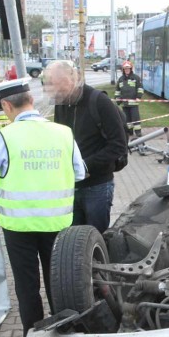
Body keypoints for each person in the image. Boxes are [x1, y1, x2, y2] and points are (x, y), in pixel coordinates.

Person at [0, 78, 86, 337]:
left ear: (7, 106)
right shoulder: (63, 132)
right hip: (57, 223)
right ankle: (64, 336)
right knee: (58, 281)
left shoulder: (4, 137)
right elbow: (79, 172)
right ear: (31, 101)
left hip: (18, 226)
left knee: (27, 285)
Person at [44, 60, 127, 234]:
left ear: (71, 80)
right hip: (70, 186)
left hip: (97, 186)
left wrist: (85, 165)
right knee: (72, 239)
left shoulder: (100, 102)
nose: (57, 96)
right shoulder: (62, 103)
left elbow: (118, 146)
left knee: (95, 238)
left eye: (60, 89)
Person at [115, 60, 143, 139]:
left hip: (133, 103)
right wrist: (117, 99)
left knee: (135, 118)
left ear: (131, 69)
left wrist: (138, 97)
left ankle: (138, 132)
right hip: (125, 104)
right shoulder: (120, 79)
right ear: (123, 70)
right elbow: (117, 91)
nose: (127, 70)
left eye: (128, 69)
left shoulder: (136, 78)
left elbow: (140, 88)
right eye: (125, 69)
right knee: (127, 119)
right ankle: (129, 131)